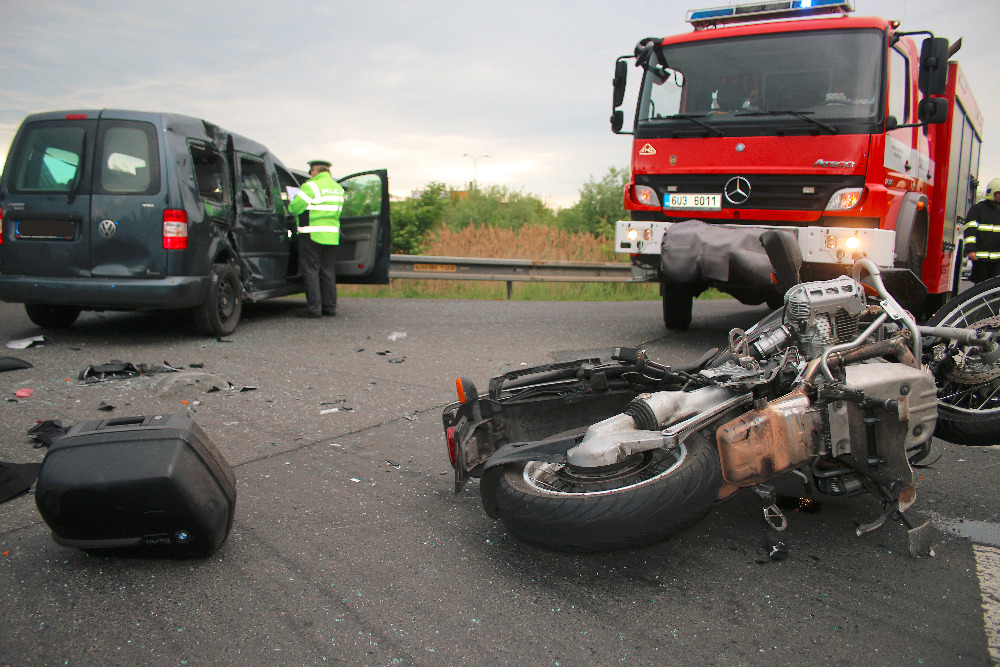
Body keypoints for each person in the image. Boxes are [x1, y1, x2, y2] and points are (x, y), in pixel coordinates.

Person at [288, 160, 345, 318]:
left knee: (311, 271)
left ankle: (314, 309)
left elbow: (294, 208)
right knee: (328, 271)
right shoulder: (338, 188)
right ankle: (330, 308)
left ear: (314, 170)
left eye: (310, 171)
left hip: (311, 234)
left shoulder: (311, 186)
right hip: (332, 235)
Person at [964, 177, 1000, 284]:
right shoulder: (978, 209)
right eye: (998, 193)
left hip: (997, 259)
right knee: (980, 286)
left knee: (994, 288)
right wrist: (970, 250)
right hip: (980, 259)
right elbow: (970, 231)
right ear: (992, 192)